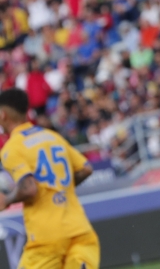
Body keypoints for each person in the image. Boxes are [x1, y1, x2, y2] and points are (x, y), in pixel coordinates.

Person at [0, 88, 100, 268]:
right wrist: (60, 187)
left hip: (47, 238)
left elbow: (29, 188)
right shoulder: (51, 136)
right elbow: (86, 169)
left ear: (3, 115)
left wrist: (7, 199)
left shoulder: (12, 148)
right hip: (80, 230)